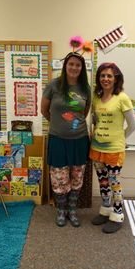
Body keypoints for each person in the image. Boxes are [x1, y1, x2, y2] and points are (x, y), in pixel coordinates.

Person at [41, 52, 91, 227]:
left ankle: (72, 210)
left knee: (77, 176)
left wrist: (73, 125)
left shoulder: (85, 88)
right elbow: (44, 110)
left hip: (80, 139)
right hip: (57, 139)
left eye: (78, 65)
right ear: (65, 65)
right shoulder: (54, 85)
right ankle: (61, 210)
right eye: (71, 64)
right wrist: (58, 124)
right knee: (59, 177)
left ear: (82, 68)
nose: (74, 68)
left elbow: (84, 113)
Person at [89, 62, 135, 234]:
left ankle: (117, 214)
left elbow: (132, 125)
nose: (106, 79)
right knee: (102, 181)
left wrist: (121, 140)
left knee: (114, 182)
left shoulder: (122, 98)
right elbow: (95, 120)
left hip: (114, 149)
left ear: (116, 78)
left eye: (109, 75)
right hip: (97, 147)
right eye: (102, 75)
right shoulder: (96, 97)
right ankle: (105, 209)